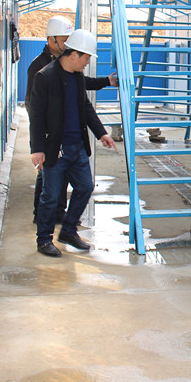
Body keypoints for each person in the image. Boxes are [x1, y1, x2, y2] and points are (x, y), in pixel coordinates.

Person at [29, 29, 118, 257]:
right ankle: (44, 240)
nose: (87, 62)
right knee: (51, 196)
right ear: (74, 54)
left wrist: (101, 133)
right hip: (56, 149)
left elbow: (85, 107)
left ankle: (68, 231)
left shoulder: (77, 77)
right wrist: (37, 149)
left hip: (77, 147)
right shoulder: (45, 76)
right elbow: (36, 116)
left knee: (85, 186)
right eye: (86, 57)